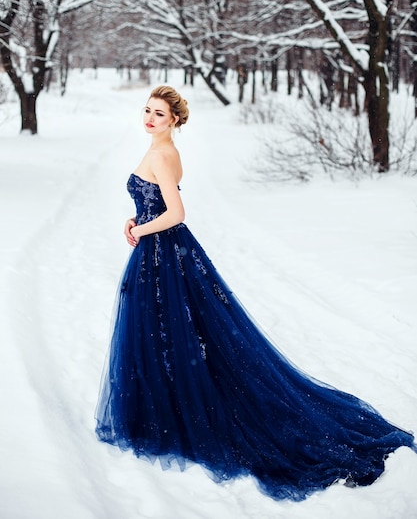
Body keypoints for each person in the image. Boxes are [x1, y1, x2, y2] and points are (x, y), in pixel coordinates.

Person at [95, 85, 416, 502]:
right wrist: (135, 217)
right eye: (147, 111)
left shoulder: (161, 153)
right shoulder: (160, 150)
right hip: (161, 249)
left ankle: (178, 413)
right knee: (167, 331)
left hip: (162, 254)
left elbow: (176, 213)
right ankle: (169, 405)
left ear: (174, 119)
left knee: (172, 330)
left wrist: (140, 228)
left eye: (159, 113)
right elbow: (157, 201)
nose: (150, 118)